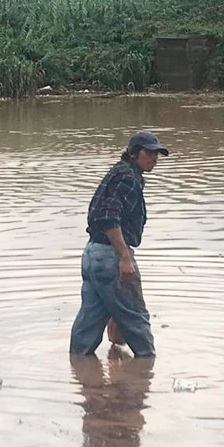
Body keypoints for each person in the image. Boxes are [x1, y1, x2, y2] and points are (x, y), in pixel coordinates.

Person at [69, 130, 169, 357]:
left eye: (157, 154)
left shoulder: (120, 172)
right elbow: (108, 217)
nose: (154, 158)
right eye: (149, 153)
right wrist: (124, 257)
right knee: (137, 322)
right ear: (134, 153)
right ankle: (145, 376)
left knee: (88, 324)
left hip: (92, 254)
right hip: (110, 256)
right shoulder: (127, 178)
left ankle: (80, 376)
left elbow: (102, 215)